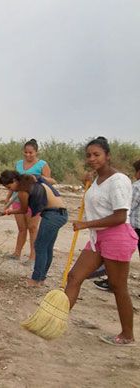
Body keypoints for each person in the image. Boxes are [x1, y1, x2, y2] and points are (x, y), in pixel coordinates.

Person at [64, 137, 138, 346]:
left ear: (108, 156)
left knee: (117, 286)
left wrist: (85, 224)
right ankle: (56, 321)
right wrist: (86, 182)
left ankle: (127, 335)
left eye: (97, 154)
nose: (92, 158)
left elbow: (120, 217)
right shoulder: (95, 181)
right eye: (88, 155)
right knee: (74, 276)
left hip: (117, 236)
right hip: (98, 238)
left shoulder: (119, 180)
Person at [0, 171, 68, 287]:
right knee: (47, 247)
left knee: (40, 246)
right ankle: (41, 278)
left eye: (9, 187)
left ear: (15, 181)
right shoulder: (33, 180)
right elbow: (46, 180)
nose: (11, 190)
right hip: (62, 213)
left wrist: (9, 211)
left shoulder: (22, 192)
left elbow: (23, 210)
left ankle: (35, 279)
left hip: (52, 215)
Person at [4, 139, 56, 265]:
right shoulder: (18, 164)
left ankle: (33, 257)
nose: (28, 155)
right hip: (18, 198)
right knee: (21, 228)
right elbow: (13, 182)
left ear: (36, 152)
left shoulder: (42, 164)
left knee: (32, 228)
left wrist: (37, 178)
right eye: (26, 152)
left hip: (34, 201)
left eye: (31, 152)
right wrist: (8, 197)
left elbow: (52, 181)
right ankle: (17, 253)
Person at [93, 158, 140, 291]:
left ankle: (111, 281)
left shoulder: (136, 187)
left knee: (115, 259)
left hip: (131, 227)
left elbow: (127, 208)